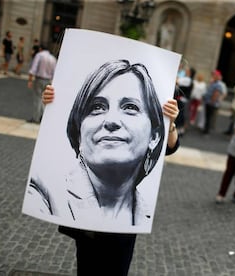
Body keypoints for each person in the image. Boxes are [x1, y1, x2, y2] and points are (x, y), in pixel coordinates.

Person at [36, 61, 180, 275]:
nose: (111, 121)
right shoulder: (45, 196)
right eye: (97, 107)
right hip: (89, 231)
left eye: (130, 107)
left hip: (123, 235)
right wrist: (52, 104)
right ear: (79, 129)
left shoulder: (139, 211)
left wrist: (171, 123)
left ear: (154, 136)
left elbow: (171, 146)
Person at [27, 44, 57, 123]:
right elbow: (55, 72)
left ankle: (36, 118)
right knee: (45, 99)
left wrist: (30, 80)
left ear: (40, 49)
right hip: (48, 81)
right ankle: (44, 117)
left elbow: (33, 69)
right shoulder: (53, 58)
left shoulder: (39, 55)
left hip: (39, 79)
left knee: (38, 98)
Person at [202, 70, 224, 135]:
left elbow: (216, 94)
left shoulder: (218, 84)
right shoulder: (213, 82)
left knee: (209, 117)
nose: (213, 76)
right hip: (208, 101)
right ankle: (206, 129)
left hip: (210, 103)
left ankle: (206, 130)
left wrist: (212, 102)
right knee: (207, 117)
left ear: (217, 76)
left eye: (214, 75)